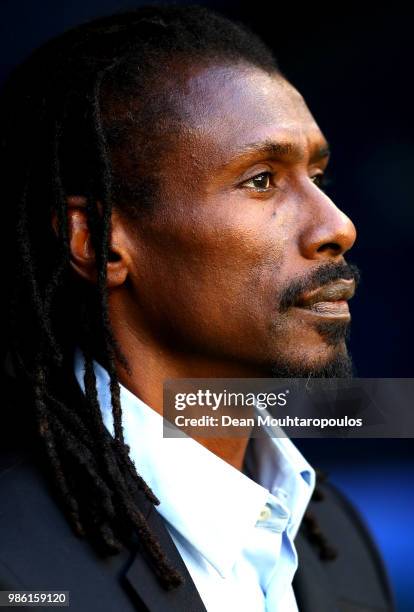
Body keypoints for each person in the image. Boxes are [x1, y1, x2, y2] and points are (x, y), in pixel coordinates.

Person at [0, 5, 394, 611]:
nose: (337, 226)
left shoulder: (335, 537)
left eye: (318, 175)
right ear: (100, 241)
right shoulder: (15, 562)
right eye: (261, 179)